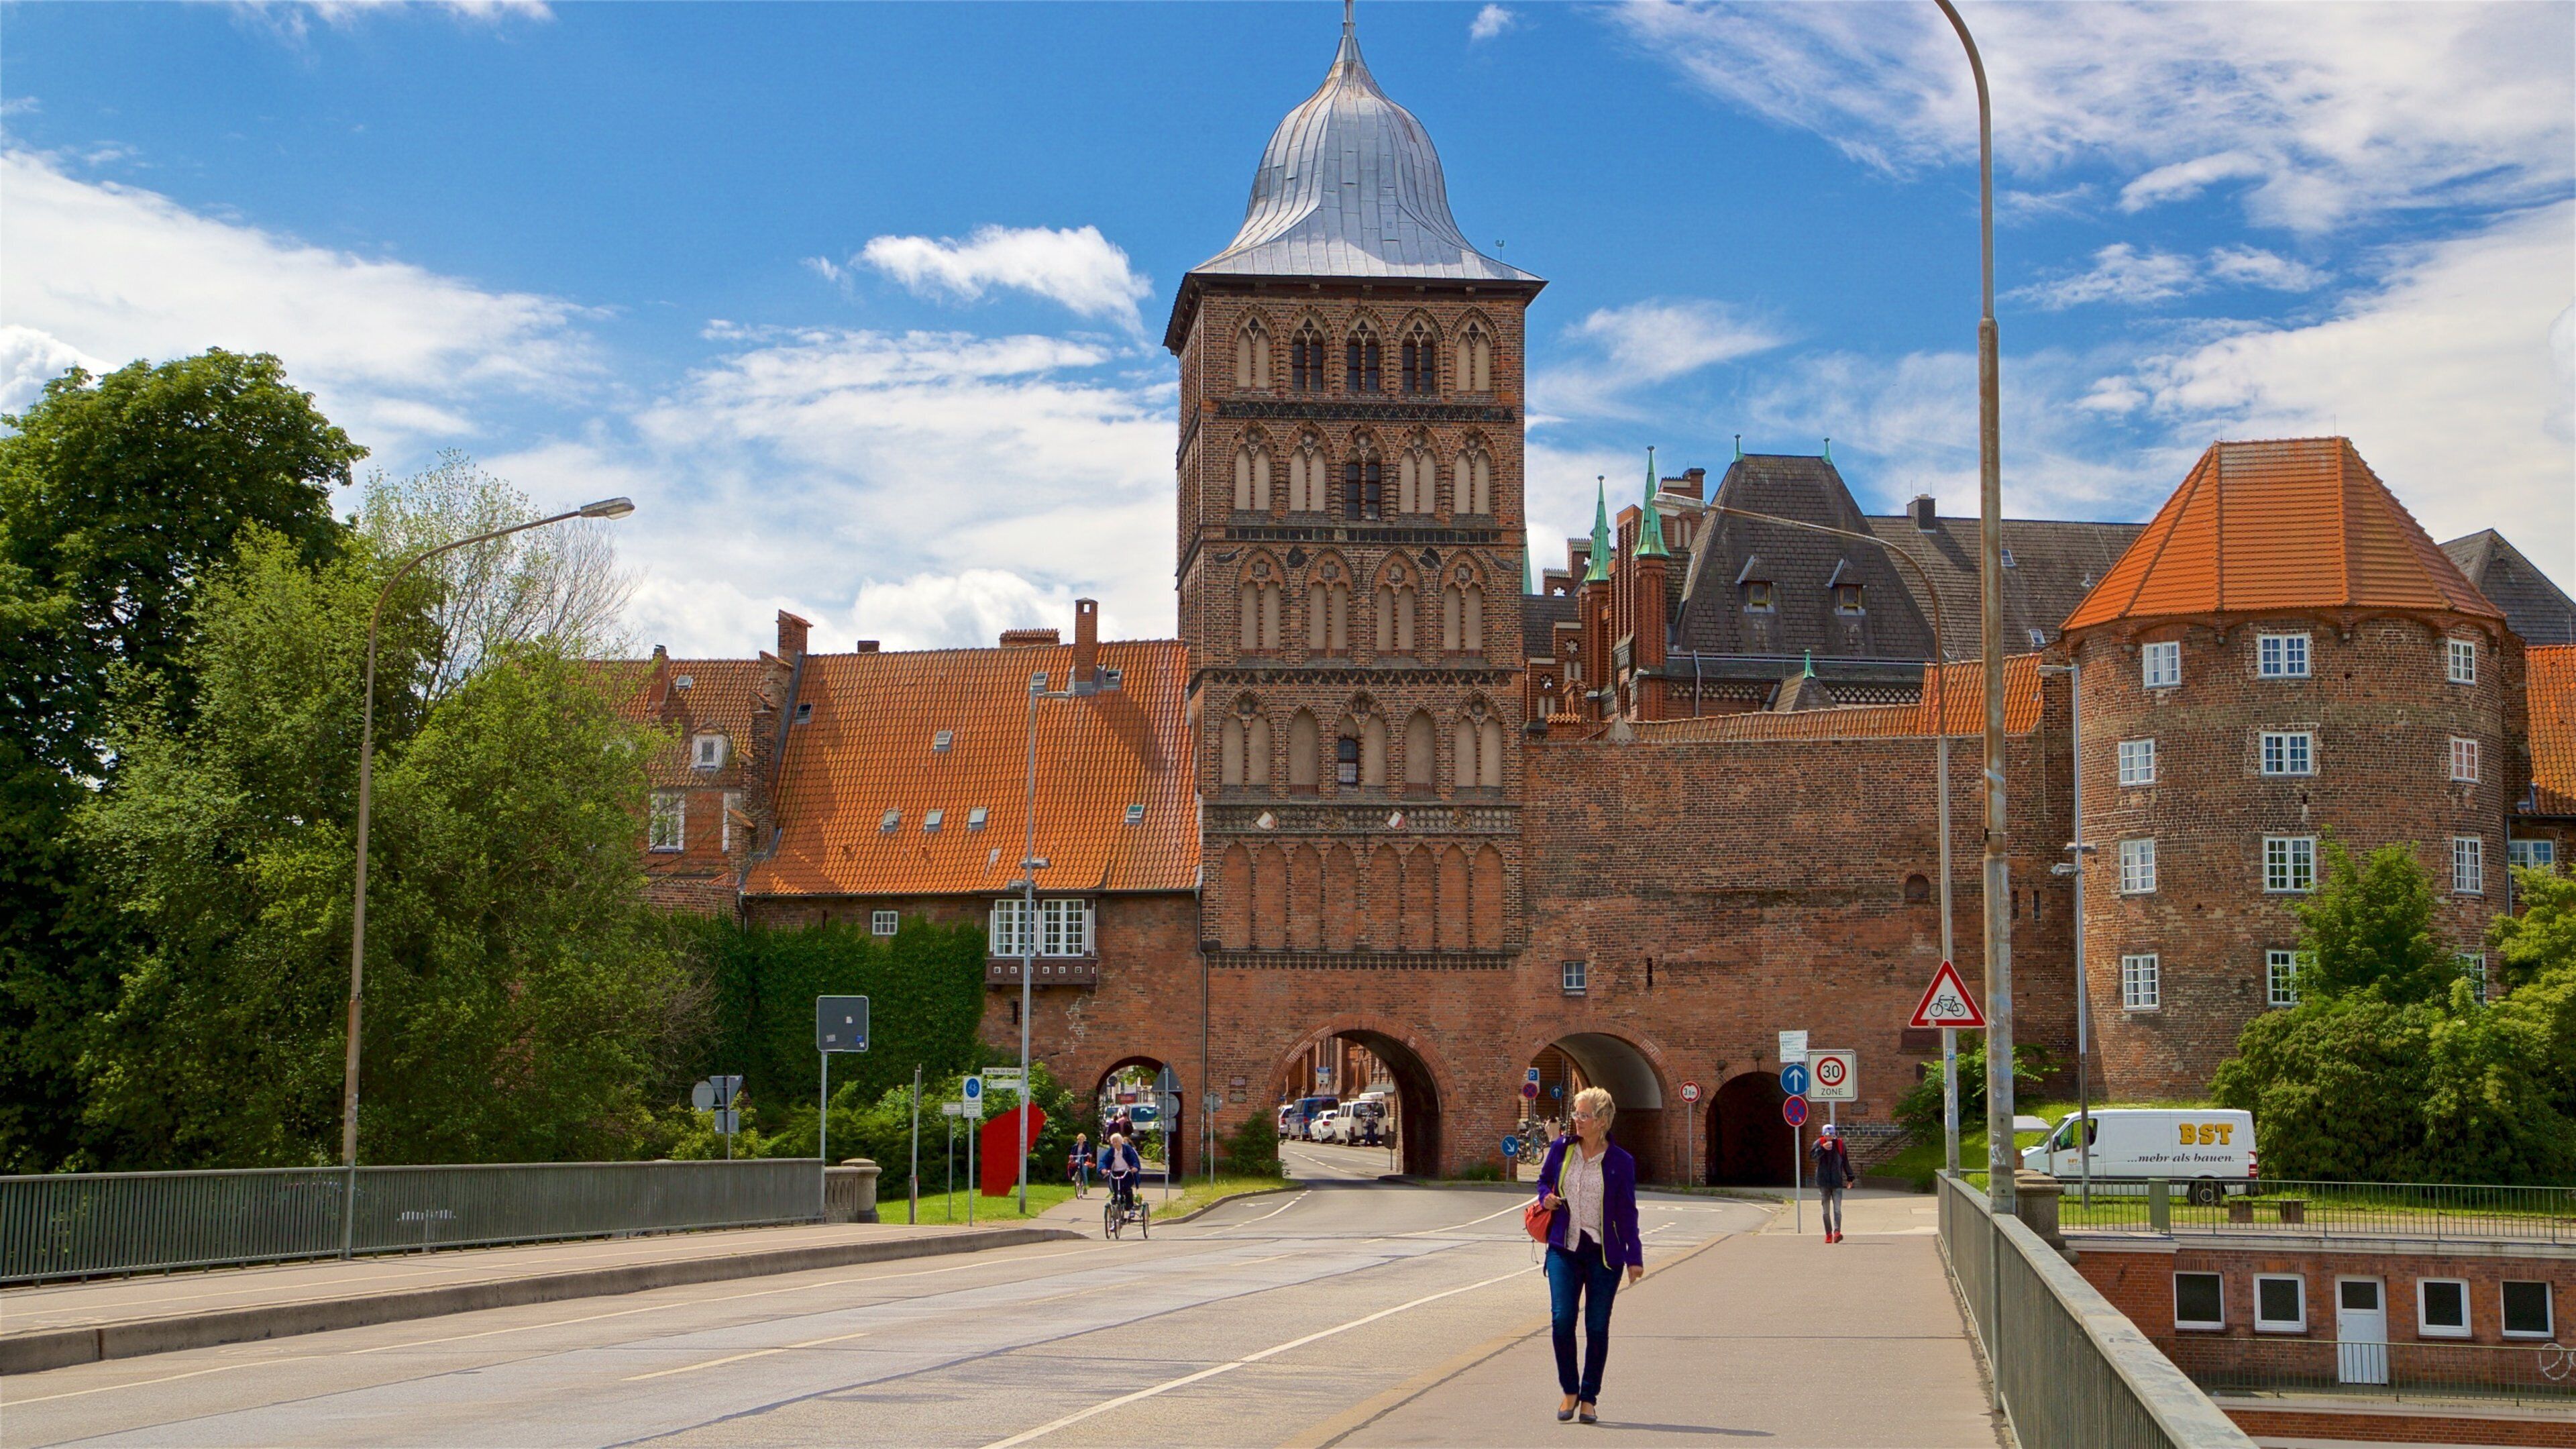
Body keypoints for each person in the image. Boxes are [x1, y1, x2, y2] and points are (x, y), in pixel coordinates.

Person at [1532, 1086, 1643, 1425]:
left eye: (1584, 1115)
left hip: (1603, 1256)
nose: (1576, 1121)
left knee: (1597, 1326)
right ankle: (1569, 1390)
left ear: (1602, 1121)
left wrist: (1634, 1256)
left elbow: (1627, 1211)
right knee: (1563, 1319)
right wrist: (1547, 1197)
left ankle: (1589, 1397)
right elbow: (1543, 1182)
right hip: (1564, 1249)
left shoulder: (1621, 1162)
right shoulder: (1561, 1149)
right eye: (1576, 1114)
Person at [1810, 1122, 1854, 1244]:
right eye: (1827, 1135)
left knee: (1838, 1210)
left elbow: (1845, 1162)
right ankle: (1828, 1234)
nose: (1829, 1138)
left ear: (1834, 1135)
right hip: (1823, 1181)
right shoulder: (1818, 1143)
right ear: (1823, 1135)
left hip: (1837, 1181)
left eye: (1831, 1135)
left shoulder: (1840, 1144)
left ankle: (1837, 1232)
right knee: (1826, 1211)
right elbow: (1812, 1157)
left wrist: (1850, 1177)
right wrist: (1822, 1149)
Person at [1099, 1132, 1141, 1222]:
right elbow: (1103, 1161)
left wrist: (1135, 1167)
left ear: (1121, 1141)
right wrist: (1103, 1169)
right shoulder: (1111, 1151)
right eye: (1113, 1142)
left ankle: (1131, 1208)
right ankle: (1118, 1206)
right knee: (1116, 1191)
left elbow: (1134, 1160)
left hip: (1127, 1172)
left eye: (1116, 1142)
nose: (1114, 1144)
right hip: (1115, 1172)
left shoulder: (1127, 1149)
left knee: (1127, 1189)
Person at [1069, 1132, 1091, 1197]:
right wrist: (1071, 1156)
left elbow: (1089, 1152)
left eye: (1082, 1139)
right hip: (1077, 1159)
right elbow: (1072, 1153)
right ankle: (1075, 1177)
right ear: (1078, 1139)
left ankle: (1085, 1187)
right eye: (1080, 1139)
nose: (1081, 1141)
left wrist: (1089, 1154)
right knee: (1072, 1166)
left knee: (1084, 1172)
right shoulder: (1075, 1146)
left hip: (1084, 1160)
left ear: (1084, 1140)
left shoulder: (1086, 1146)